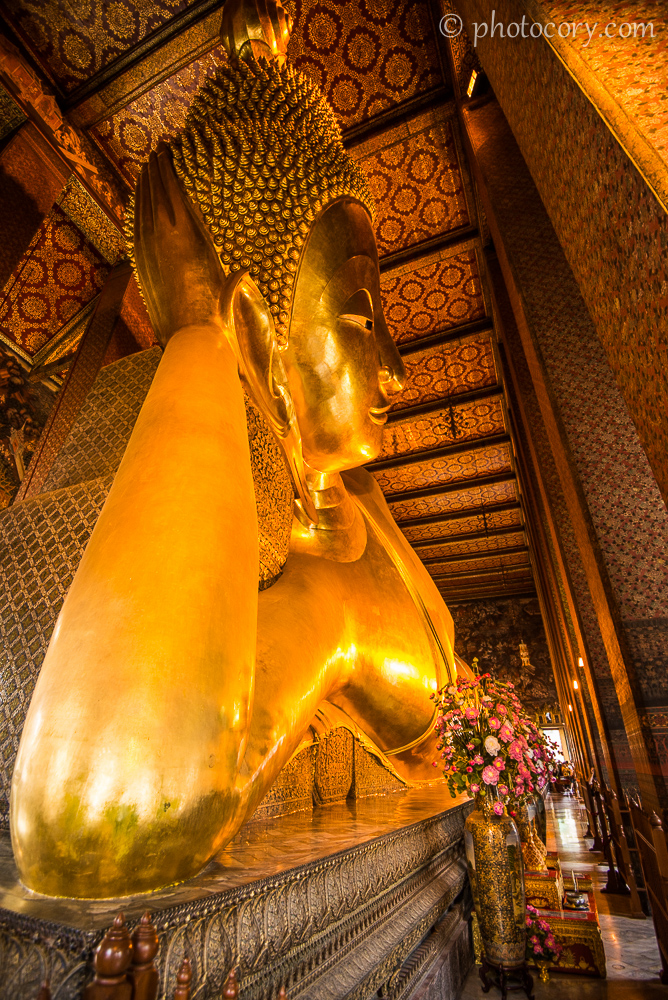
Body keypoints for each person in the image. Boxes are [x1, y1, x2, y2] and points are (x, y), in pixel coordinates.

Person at [10, 3, 462, 898]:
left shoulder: (364, 516)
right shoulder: (301, 597)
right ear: (261, 332)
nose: (400, 372)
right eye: (362, 321)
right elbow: (96, 812)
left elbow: (449, 734)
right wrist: (196, 340)